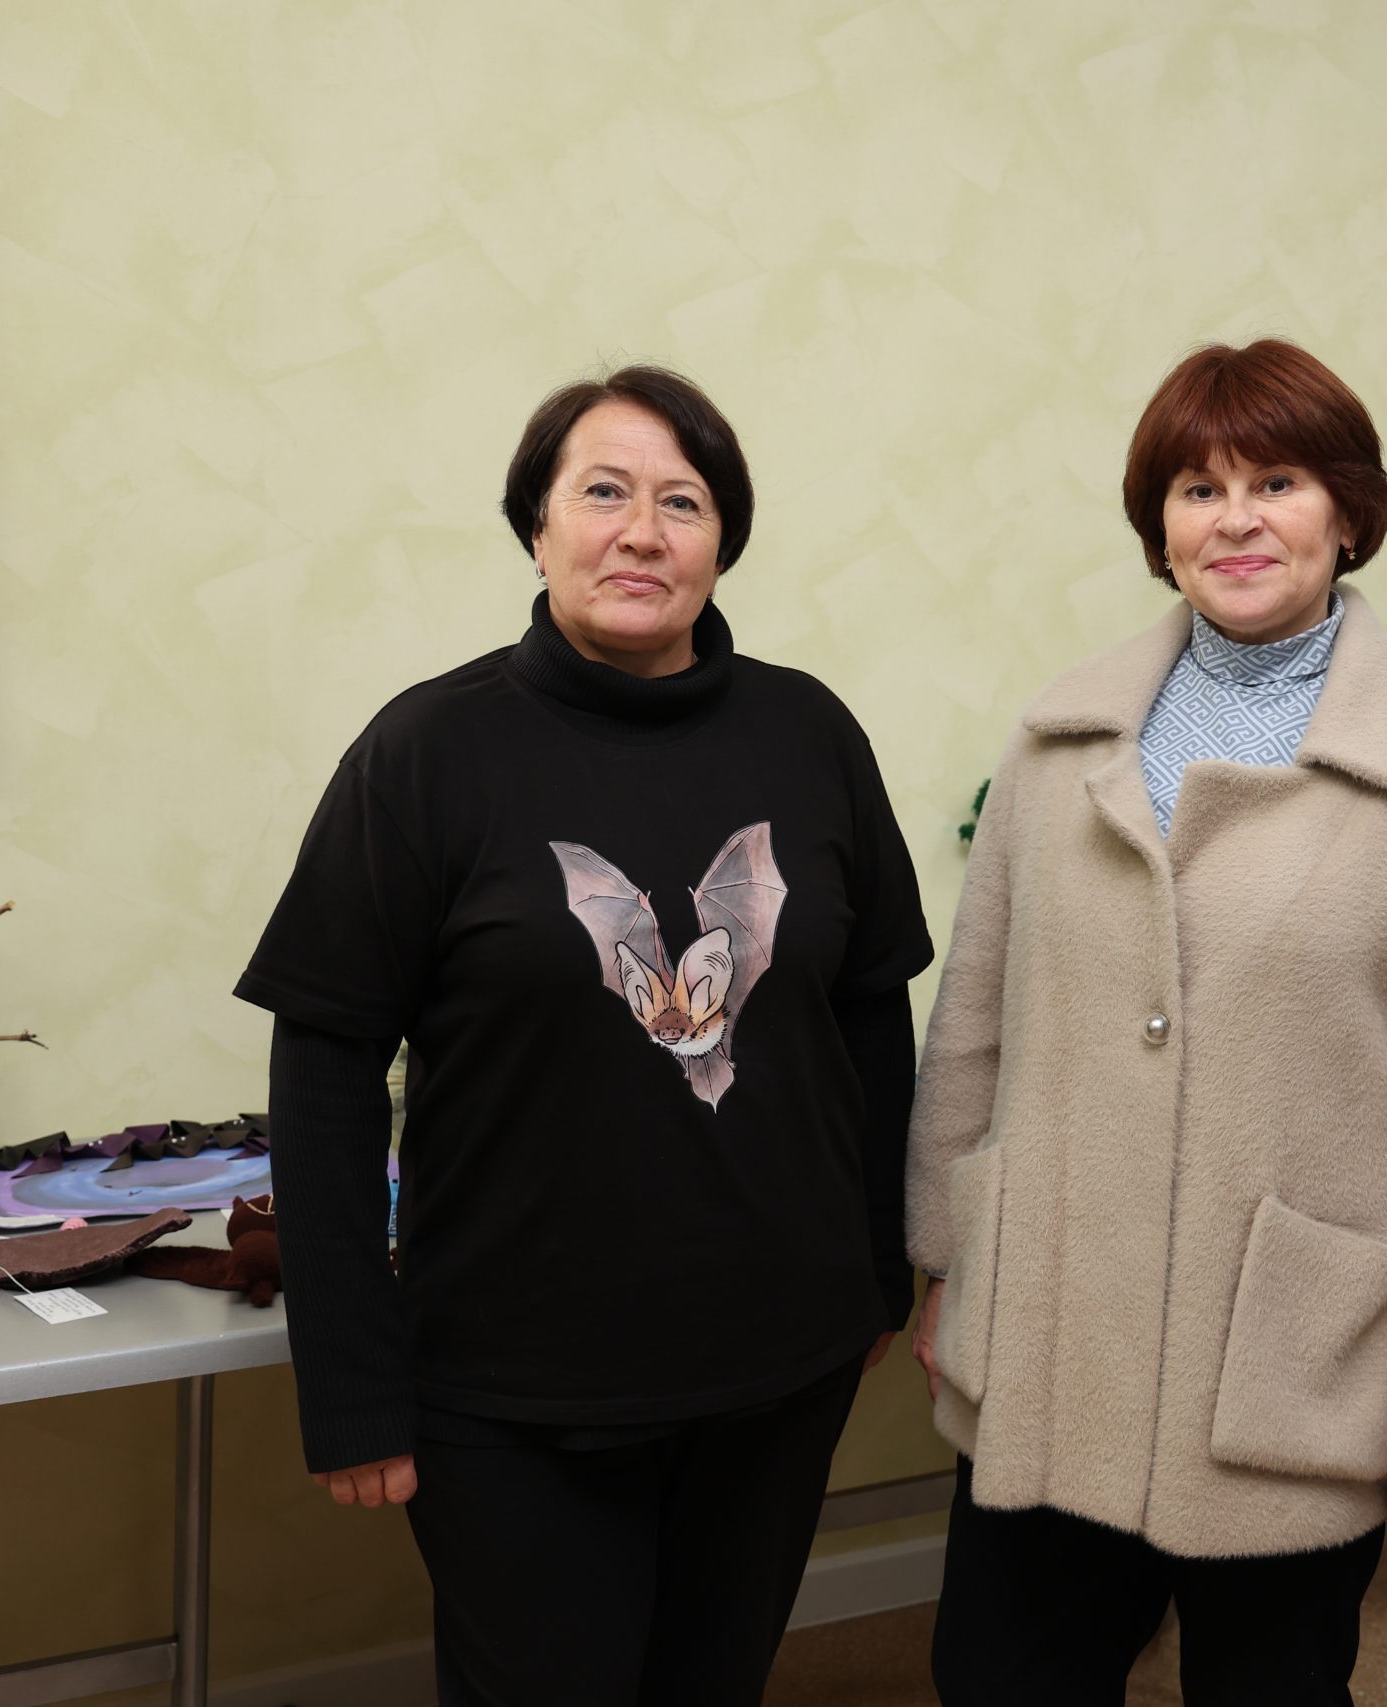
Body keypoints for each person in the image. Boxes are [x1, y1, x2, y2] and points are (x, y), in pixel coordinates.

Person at [236, 365, 932, 1707]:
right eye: (603, 492)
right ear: (537, 526)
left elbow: (869, 1015)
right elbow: (324, 1068)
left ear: (721, 541)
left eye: (683, 502)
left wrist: (874, 1267)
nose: (641, 532)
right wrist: (350, 1377)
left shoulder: (809, 734)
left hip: (778, 1363)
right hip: (514, 1386)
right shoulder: (428, 752)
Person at [905, 338, 1387, 1705]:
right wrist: (947, 1260)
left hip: (1289, 1360)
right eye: (1198, 489)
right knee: (999, 1677)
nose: (1237, 519)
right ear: (1160, 529)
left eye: (1277, 482)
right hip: (1052, 1336)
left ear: (1348, 512)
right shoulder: (1057, 742)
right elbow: (975, 1020)